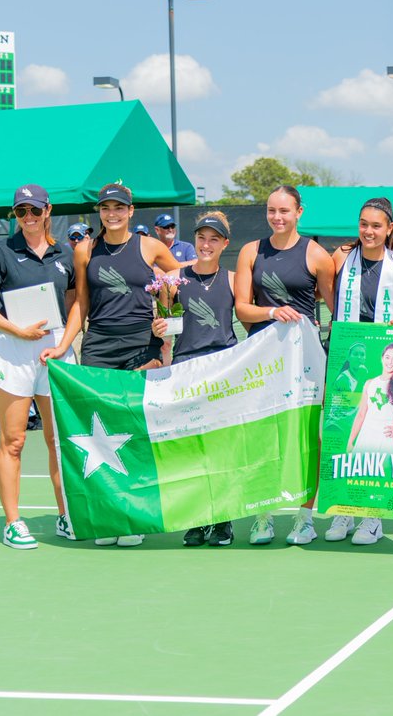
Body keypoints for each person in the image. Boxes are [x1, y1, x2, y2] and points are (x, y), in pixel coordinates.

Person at [42, 181, 181, 548]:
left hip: (141, 344)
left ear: (131, 211)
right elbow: (81, 304)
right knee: (98, 433)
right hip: (99, 347)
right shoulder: (85, 250)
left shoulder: (150, 246)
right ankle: (105, 518)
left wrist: (168, 315)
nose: (112, 213)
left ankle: (132, 516)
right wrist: (63, 345)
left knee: (131, 429)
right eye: (106, 208)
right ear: (99, 212)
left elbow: (179, 280)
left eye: (119, 207)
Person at [0, 185, 77, 549]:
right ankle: (13, 523)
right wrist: (18, 329)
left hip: (55, 351)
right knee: (13, 441)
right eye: (21, 212)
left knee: (59, 441)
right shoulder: (0, 251)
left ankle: (66, 515)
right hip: (14, 349)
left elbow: (76, 304)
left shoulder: (66, 252)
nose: (28, 218)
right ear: (14, 215)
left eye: (34, 210)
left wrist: (63, 345)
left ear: (48, 210)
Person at [234, 185, 335, 547]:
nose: (277, 217)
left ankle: (305, 519)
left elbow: (334, 307)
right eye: (271, 211)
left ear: (299, 212)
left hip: (304, 363)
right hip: (260, 361)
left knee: (307, 438)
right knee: (263, 438)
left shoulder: (318, 255)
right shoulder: (250, 251)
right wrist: (272, 312)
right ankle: (263, 516)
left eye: (285, 211)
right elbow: (242, 307)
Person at [326, 197, 393, 546]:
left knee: (375, 438)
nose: (369, 231)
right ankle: (346, 508)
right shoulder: (340, 258)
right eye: (363, 224)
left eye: (376, 225)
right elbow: (327, 297)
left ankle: (372, 517)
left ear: (389, 228)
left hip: (381, 367)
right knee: (345, 432)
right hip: (346, 359)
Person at [152, 212, 239, 547]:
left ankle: (223, 520)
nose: (206, 244)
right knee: (191, 449)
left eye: (214, 239)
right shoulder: (174, 278)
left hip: (222, 369)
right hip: (185, 369)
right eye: (202, 238)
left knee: (220, 447)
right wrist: (158, 327)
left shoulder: (233, 279)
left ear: (224, 244)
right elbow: (162, 322)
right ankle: (196, 518)